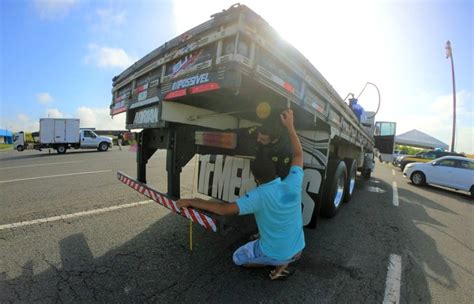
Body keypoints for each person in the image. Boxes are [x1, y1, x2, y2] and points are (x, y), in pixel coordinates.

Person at [177, 109, 305, 280]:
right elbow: (298, 154)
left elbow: (223, 209)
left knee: (238, 258)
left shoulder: (258, 196)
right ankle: (284, 263)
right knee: (279, 231)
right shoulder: (293, 182)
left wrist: (191, 201)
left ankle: (274, 262)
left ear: (256, 179)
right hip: (298, 250)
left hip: (277, 253)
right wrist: (290, 125)